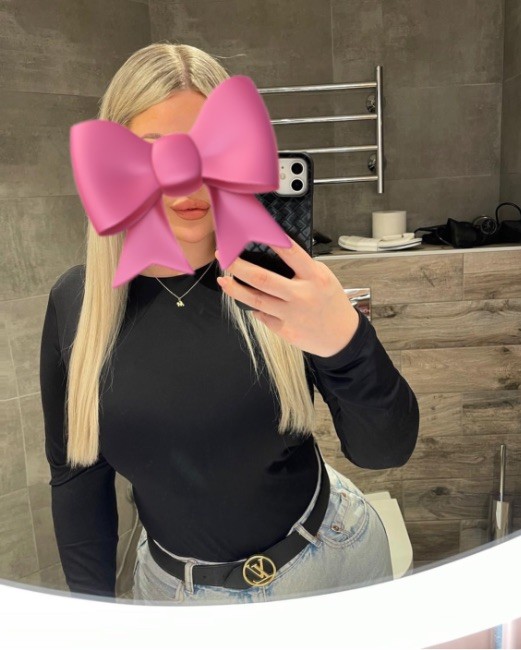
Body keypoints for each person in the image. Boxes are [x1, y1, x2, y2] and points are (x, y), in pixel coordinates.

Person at [39, 42, 419, 606]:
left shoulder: (282, 281)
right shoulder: (77, 306)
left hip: (334, 563)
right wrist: (92, 620)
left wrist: (347, 342)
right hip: (179, 599)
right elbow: (77, 479)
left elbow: (384, 451)